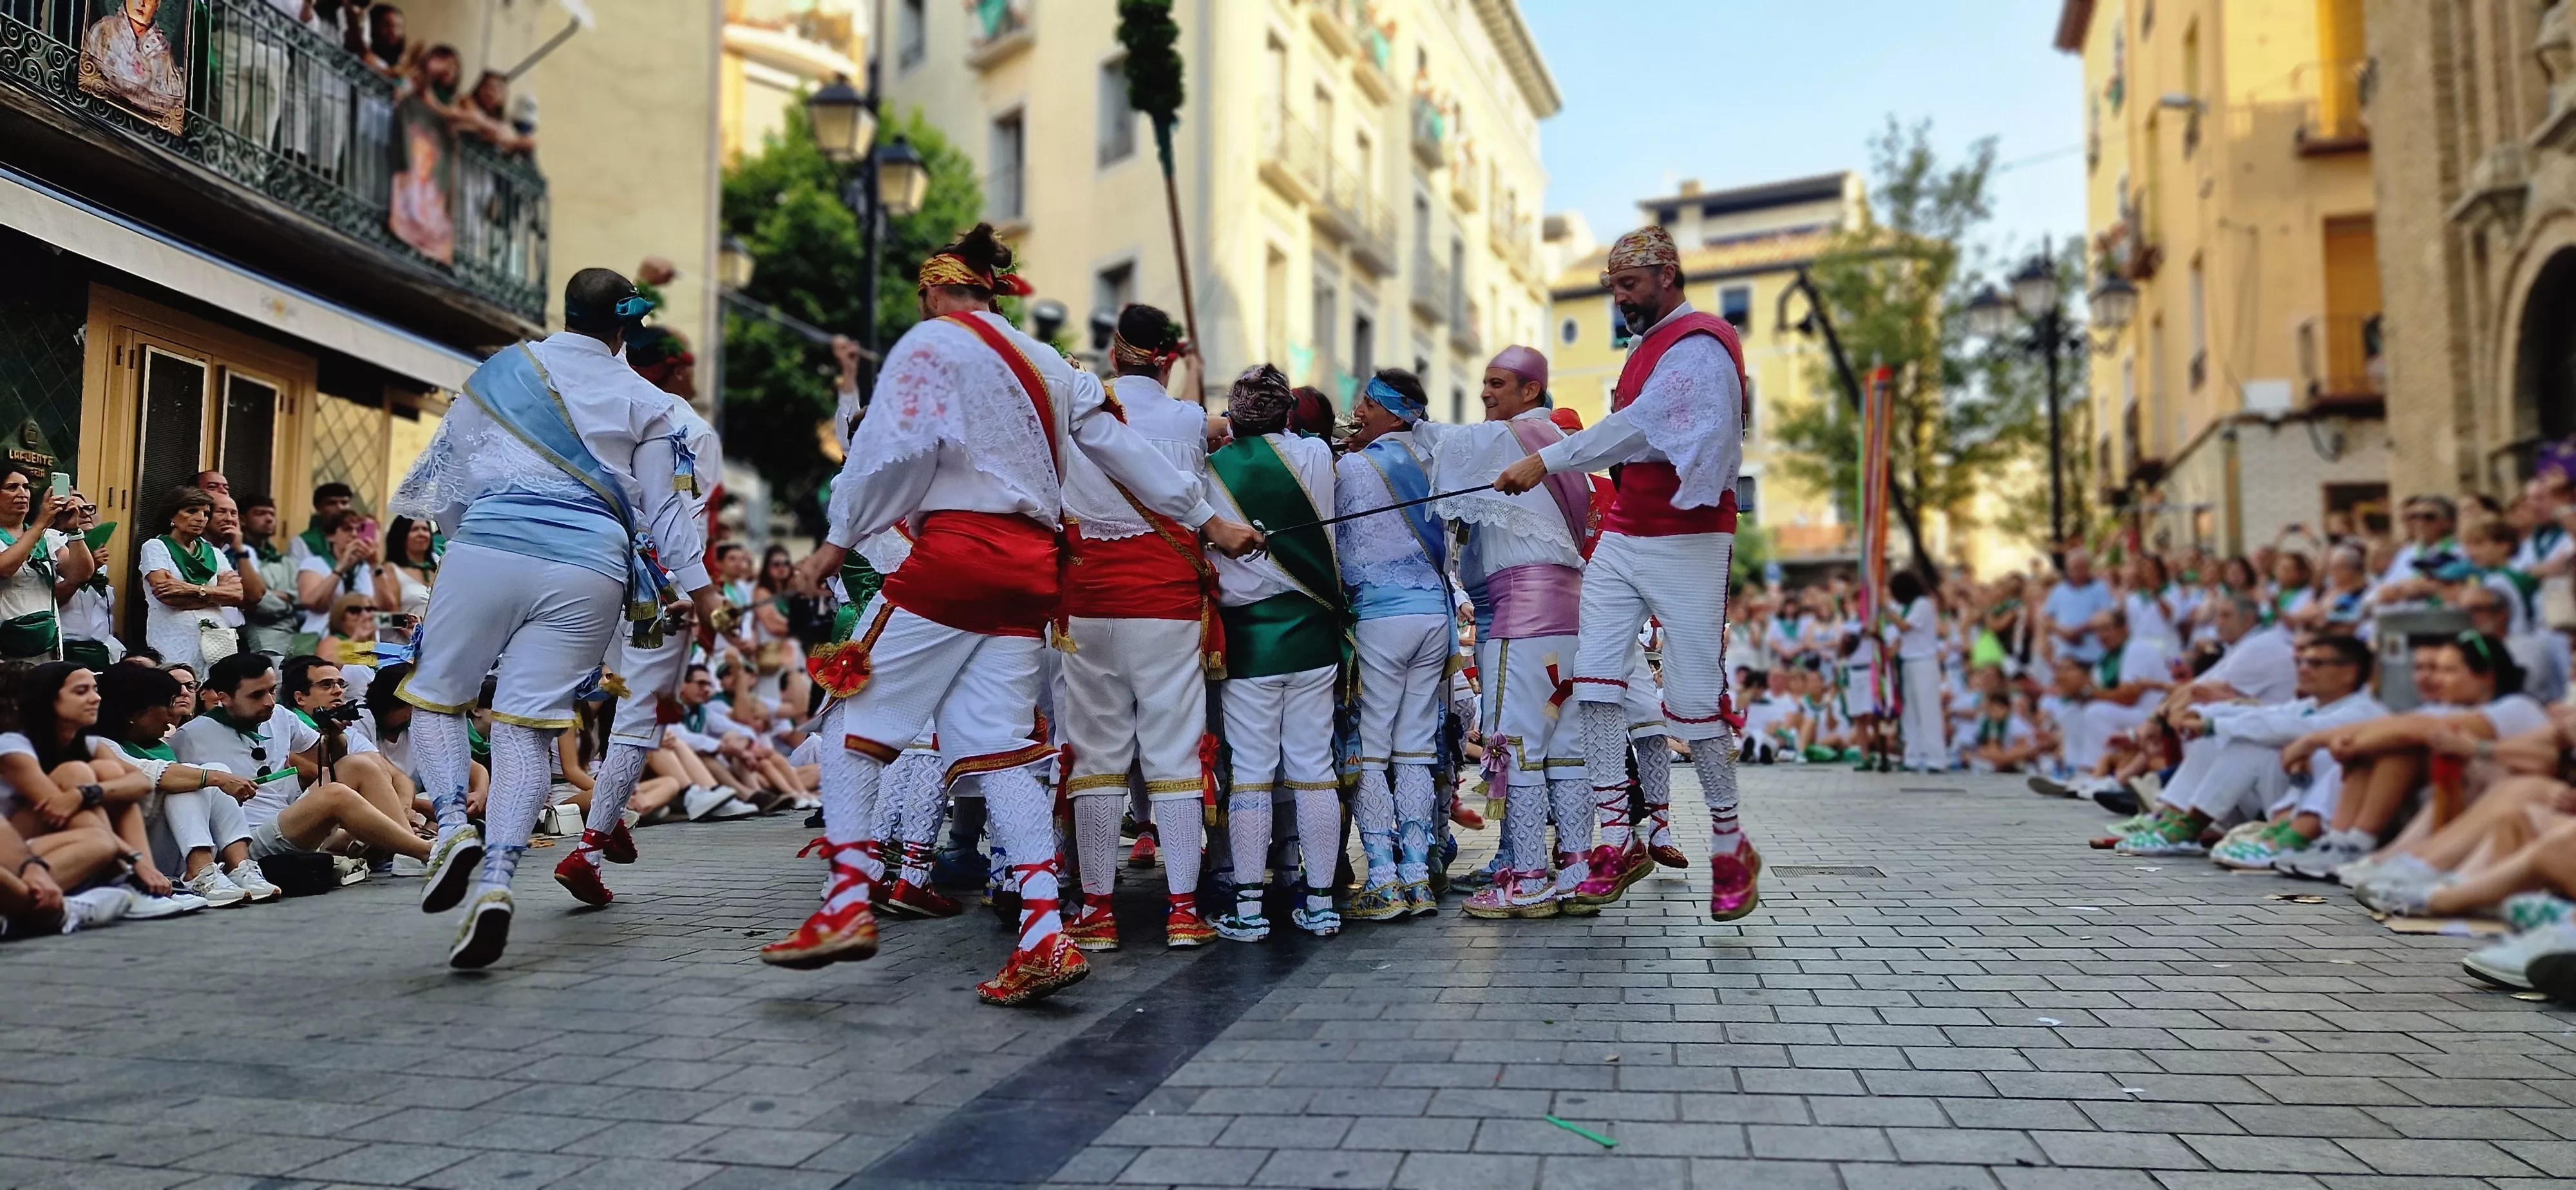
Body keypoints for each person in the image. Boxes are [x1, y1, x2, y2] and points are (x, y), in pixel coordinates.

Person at [776, 227, 1259, 1005]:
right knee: (1000, 750)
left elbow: (890, 458)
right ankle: (1042, 932)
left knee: (847, 723)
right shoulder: (1049, 363)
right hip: (1031, 572)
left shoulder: (931, 344)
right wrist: (1210, 521)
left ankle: (846, 903)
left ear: (935, 291)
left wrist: (835, 545)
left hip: (959, 554)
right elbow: (1124, 451)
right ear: (991, 292)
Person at [387, 267, 721, 968]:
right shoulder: (647, 401)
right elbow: (664, 512)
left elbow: (449, 474)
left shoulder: (503, 370)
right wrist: (703, 591)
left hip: (490, 542)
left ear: (563, 312)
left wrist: (464, 540)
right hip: (591, 564)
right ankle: (499, 885)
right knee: (527, 727)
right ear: (627, 325)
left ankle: (451, 826)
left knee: (437, 693)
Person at [1494, 224, 1759, 920]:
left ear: (1668, 275)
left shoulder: (1701, 342)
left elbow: (1640, 428)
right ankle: (1616, 836)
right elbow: (1636, 430)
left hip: (1690, 538)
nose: (1619, 298)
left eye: (1629, 284)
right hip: (1624, 533)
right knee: (1598, 679)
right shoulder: (1647, 349)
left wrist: (1545, 460)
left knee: (1695, 700)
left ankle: (1730, 845)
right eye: (1613, 286)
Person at [1051, 303, 1223, 950]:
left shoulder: (1074, 415)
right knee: (1173, 749)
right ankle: (1182, 910)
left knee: (1094, 753)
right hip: (1166, 601)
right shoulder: (1187, 419)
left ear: (1113, 352)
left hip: (1088, 600)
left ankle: (1096, 909)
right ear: (1167, 358)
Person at [1416, 350, 1595, 918]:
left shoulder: (1510, 438)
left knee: (1515, 748)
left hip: (1521, 620)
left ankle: (1525, 876)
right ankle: (1575, 868)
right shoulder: (1567, 450)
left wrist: (1399, 417)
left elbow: (1434, 444)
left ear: (1530, 390)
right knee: (1565, 751)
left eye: (1497, 383)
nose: (1487, 394)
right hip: (1571, 619)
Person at [553, 322, 721, 908]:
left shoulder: (577, 402)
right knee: (638, 716)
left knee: (610, 701)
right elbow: (682, 514)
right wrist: (694, 589)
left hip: (582, 574)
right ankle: (590, 847)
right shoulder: (686, 426)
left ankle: (607, 817)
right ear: (674, 368)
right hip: (656, 587)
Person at [1201, 364, 1344, 944]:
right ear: (1287, 413)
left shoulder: (1212, 470)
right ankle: (1320, 903)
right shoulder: (1315, 457)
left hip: (1251, 640)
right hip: (1314, 630)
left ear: (1234, 418)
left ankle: (1252, 907)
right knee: (1315, 769)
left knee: (1253, 773)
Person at [1334, 369, 1454, 922]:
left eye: (1365, 404)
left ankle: (1382, 876)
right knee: (1415, 749)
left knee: (1373, 749)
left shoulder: (1357, 467)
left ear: (1387, 411)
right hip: (1436, 616)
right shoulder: (1436, 462)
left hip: (1383, 617)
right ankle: (1417, 874)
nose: (1357, 412)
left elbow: (1348, 554)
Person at [169, 652, 432, 891]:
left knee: (360, 764)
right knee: (335, 795)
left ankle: (406, 853)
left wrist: (334, 734)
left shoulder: (281, 716)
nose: (269, 702)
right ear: (223, 698)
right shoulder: (190, 737)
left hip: (291, 816)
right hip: (247, 840)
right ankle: (427, 852)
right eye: (256, 695)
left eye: (272, 691)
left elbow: (333, 758)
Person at [94, 663, 280, 906]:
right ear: (133, 713)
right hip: (133, 856)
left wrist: (218, 776)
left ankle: (240, 867)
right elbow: (151, 774)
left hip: (167, 850)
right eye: (166, 704)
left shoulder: (158, 744)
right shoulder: (102, 745)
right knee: (193, 778)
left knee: (214, 770)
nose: (174, 714)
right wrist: (217, 779)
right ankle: (199, 871)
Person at [137, 486, 242, 671]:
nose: (201, 518)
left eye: (206, 513)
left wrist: (193, 590)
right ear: (171, 515)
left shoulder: (214, 553)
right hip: (174, 639)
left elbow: (238, 595)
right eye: (192, 511)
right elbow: (167, 595)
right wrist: (217, 598)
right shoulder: (156, 547)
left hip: (217, 643)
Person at [0, 463, 93, 663]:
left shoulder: (48, 537)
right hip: (7, 650)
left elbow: (80, 574)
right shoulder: (40, 531)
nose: (22, 493)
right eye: (12, 487)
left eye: (26, 487)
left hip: (45, 647)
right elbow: (5, 568)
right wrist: (41, 523)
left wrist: (74, 531)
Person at [55, 491, 119, 670]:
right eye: (75, 510)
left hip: (101, 648)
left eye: (87, 509)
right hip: (68, 648)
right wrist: (86, 572)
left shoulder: (97, 549)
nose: (84, 514)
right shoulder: (54, 550)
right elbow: (52, 600)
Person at [1889, 570, 1945, 771]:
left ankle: (1935, 758)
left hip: (1925, 662)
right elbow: (1899, 636)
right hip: (1908, 662)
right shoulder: (1904, 608)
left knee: (1928, 710)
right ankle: (1912, 756)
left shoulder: (1923, 604)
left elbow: (1905, 627)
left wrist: (1885, 611)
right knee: (1910, 712)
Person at [236, 493, 303, 658]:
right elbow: (260, 603)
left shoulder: (283, 560)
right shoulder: (237, 556)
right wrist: (286, 599)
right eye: (260, 514)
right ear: (243, 520)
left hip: (293, 641)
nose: (269, 519)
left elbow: (303, 597)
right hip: (262, 641)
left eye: (271, 514)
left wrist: (274, 595)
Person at [296, 510, 377, 638]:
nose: (355, 534)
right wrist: (341, 568)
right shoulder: (315, 563)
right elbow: (312, 602)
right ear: (331, 536)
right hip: (321, 637)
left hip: (364, 640)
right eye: (347, 529)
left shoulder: (365, 567)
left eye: (359, 530)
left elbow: (383, 608)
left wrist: (375, 564)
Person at [376, 515, 438, 621]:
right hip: (403, 638)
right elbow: (379, 620)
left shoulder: (438, 569)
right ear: (401, 535)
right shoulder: (390, 570)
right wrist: (406, 623)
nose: (422, 534)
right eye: (414, 530)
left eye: (425, 529)